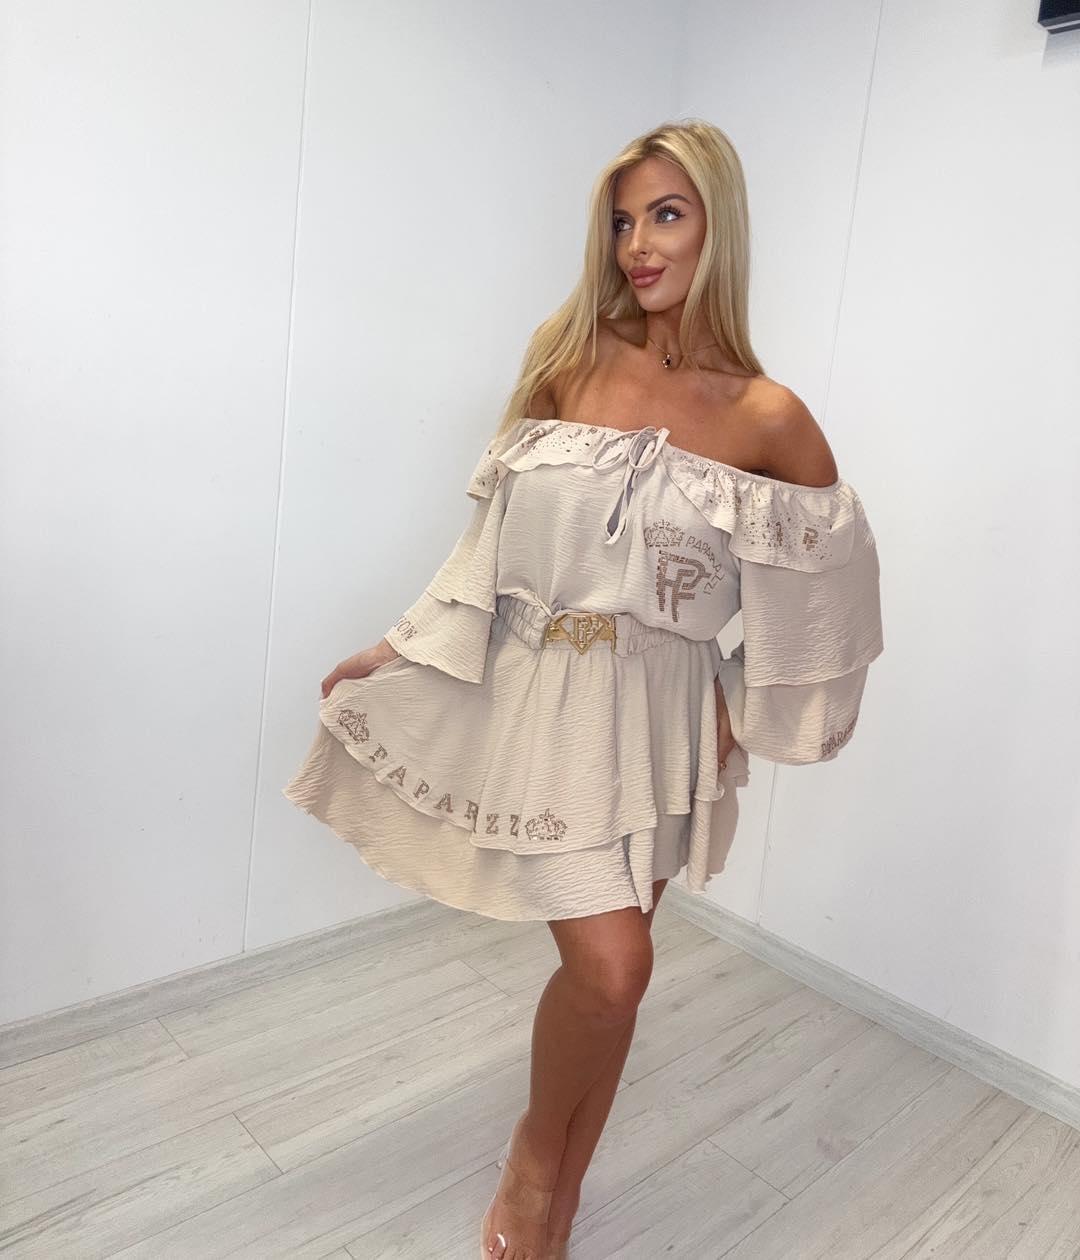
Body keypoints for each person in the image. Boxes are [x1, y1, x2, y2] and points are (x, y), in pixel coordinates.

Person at [283, 118, 884, 1260]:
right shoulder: (568, 359)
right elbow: (488, 546)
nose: (637, 245)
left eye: (666, 215)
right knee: (614, 968)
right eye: (621, 221)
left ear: (719, 224)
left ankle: (556, 1202)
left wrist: (734, 703)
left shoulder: (768, 418)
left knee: (618, 986)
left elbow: (828, 607)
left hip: (662, 724)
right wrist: (400, 646)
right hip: (544, 698)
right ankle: (531, 1159)